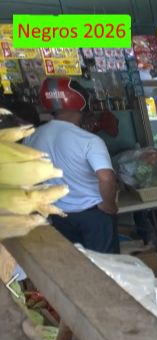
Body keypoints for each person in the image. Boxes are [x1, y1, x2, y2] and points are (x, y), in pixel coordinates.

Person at [25, 77, 119, 253]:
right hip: (93, 215)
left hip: (59, 215)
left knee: (77, 262)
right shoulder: (89, 140)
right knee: (107, 264)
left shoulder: (32, 137)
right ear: (80, 101)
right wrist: (109, 204)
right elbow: (106, 178)